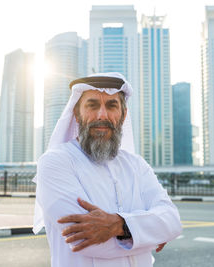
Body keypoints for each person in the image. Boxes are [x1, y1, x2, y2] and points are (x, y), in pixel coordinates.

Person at [33, 72, 182, 267]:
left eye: (111, 106)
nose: (102, 115)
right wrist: (147, 233)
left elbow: (172, 221)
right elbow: (85, 242)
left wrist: (119, 225)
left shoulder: (136, 165)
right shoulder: (55, 162)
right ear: (77, 114)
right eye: (92, 105)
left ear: (123, 115)